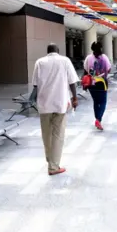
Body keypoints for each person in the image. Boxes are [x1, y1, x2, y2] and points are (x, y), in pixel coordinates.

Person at [32, 43, 79, 175]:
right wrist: (75, 98)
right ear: (58, 51)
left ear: (47, 52)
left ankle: (50, 160)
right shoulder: (65, 61)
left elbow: (35, 85)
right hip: (60, 103)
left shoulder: (39, 62)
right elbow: (72, 81)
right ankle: (53, 166)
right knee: (58, 135)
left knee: (46, 134)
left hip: (44, 104)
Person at [83, 41, 111, 131]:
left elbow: (85, 70)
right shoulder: (104, 58)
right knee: (103, 102)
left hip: (92, 83)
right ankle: (98, 120)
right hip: (102, 83)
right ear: (101, 48)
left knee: (96, 101)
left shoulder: (88, 58)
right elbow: (109, 69)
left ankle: (97, 119)